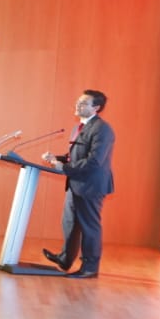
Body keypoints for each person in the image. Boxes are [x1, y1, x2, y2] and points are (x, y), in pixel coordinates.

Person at [44, 88, 115, 278]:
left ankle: (90, 268)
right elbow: (73, 156)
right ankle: (65, 260)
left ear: (96, 108)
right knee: (69, 223)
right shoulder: (79, 127)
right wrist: (57, 158)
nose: (78, 105)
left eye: (83, 103)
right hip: (75, 183)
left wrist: (64, 167)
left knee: (89, 227)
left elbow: (94, 161)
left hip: (91, 186)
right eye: (78, 101)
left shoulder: (102, 129)